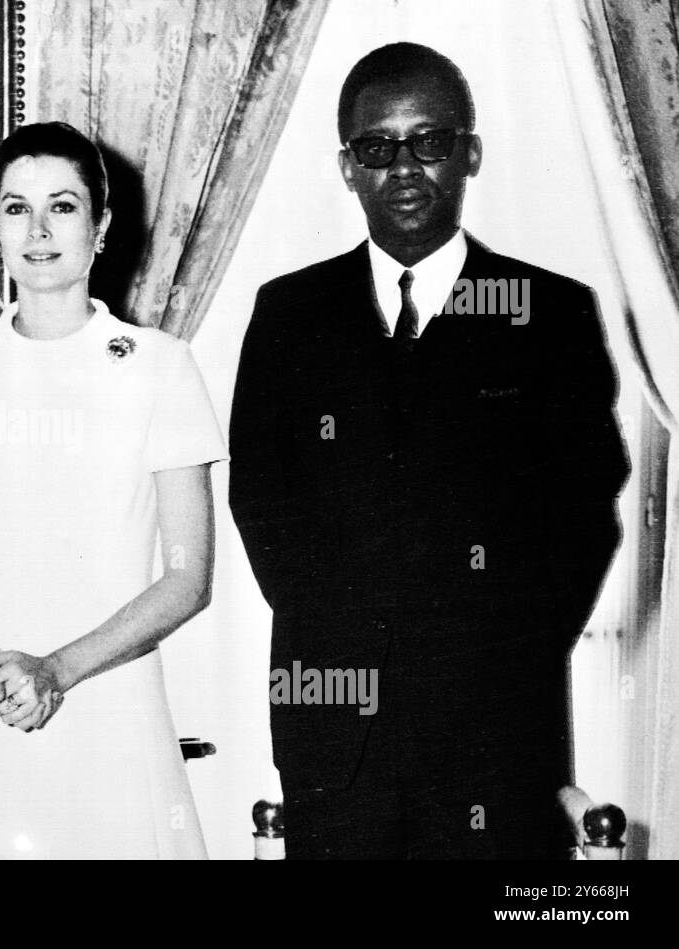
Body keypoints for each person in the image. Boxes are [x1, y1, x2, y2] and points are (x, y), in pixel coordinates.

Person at [229, 43, 629, 859]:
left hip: (498, 733)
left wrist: (501, 648)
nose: (404, 166)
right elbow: (261, 502)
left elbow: (586, 512)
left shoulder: (545, 312)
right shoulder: (289, 315)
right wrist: (339, 636)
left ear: (470, 152)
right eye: (377, 147)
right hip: (334, 734)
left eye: (430, 141)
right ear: (347, 167)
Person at [0, 122, 226, 859]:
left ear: (100, 227)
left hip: (110, 701)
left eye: (62, 207)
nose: (37, 230)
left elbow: (187, 575)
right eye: (16, 207)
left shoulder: (159, 367)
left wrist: (58, 670)